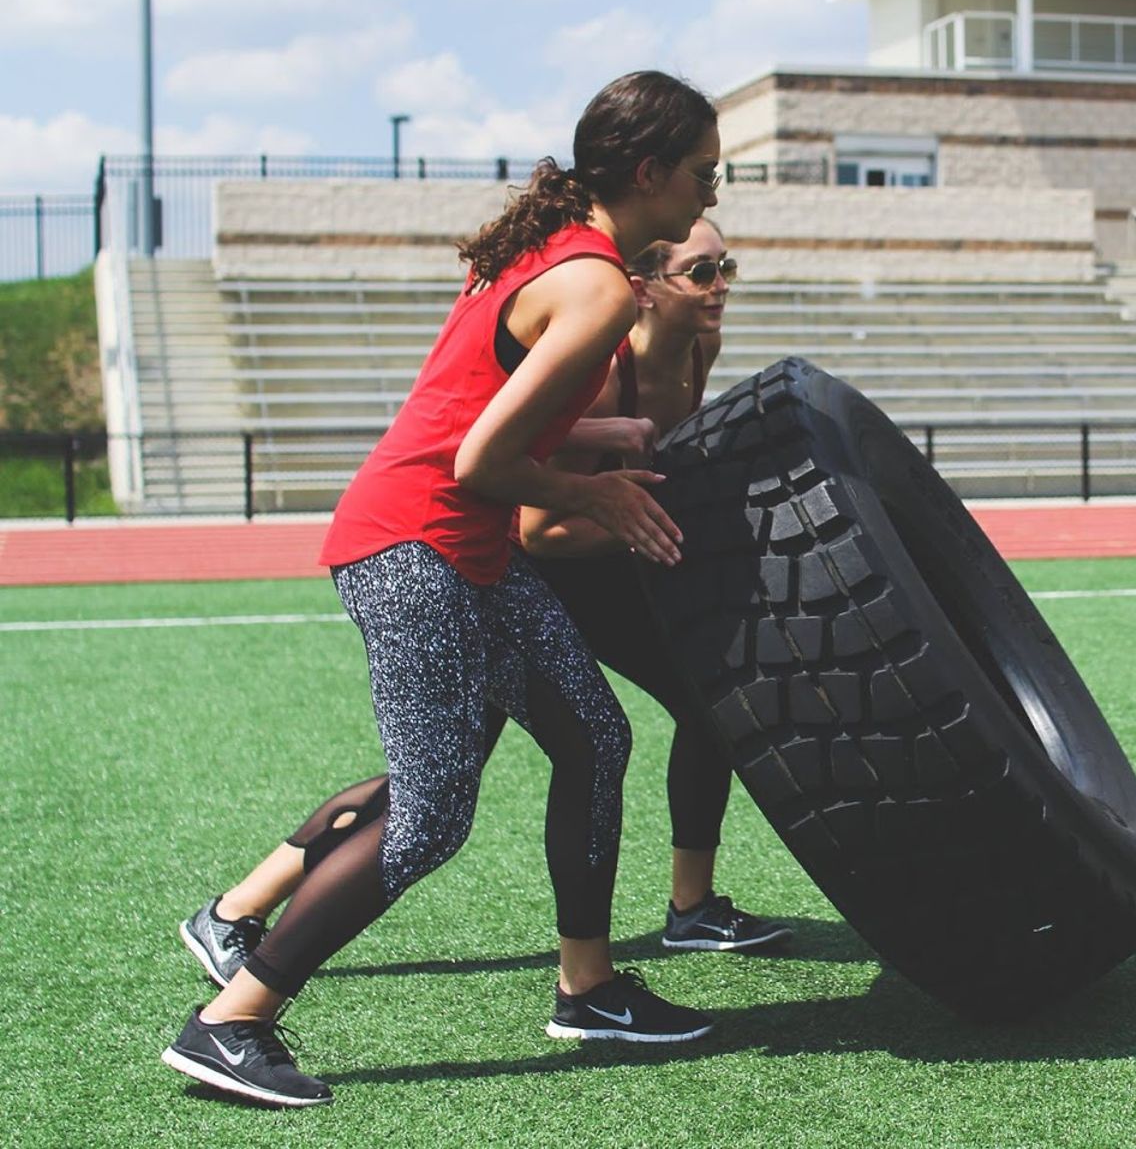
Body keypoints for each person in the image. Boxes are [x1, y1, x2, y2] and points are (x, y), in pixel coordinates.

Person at [161, 70, 720, 1109]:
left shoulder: (559, 250)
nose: (709, 193)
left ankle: (586, 984)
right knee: (429, 817)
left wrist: (597, 438)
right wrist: (591, 493)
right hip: (412, 547)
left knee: (595, 736)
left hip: (462, 550)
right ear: (648, 172)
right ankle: (231, 1016)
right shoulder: (598, 288)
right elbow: (477, 462)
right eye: (702, 173)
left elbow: (474, 406)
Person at [178, 219, 786, 1011]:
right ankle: (236, 956)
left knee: (585, 742)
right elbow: (524, 505)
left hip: (527, 569)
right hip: (508, 565)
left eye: (723, 267)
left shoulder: (688, 347)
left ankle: (650, 937)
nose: (719, 286)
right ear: (646, 286)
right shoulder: (597, 345)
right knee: (432, 796)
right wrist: (627, 506)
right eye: (701, 271)